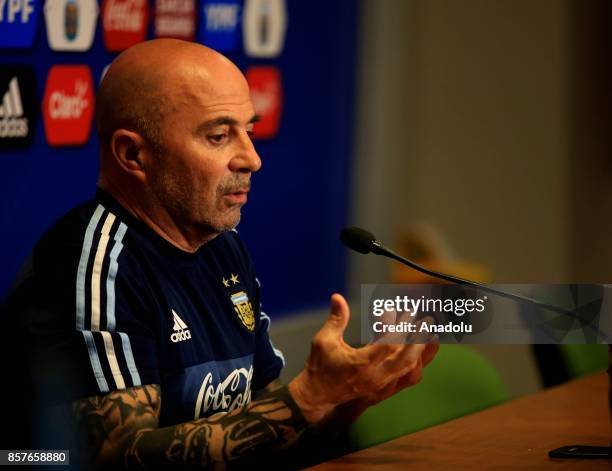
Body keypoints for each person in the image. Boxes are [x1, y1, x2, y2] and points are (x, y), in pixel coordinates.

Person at [0, 39, 438, 469]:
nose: (252, 158)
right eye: (218, 136)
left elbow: (263, 426)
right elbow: (115, 458)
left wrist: (343, 399)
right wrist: (308, 398)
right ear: (133, 154)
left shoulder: (222, 248)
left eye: (248, 130)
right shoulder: (94, 266)